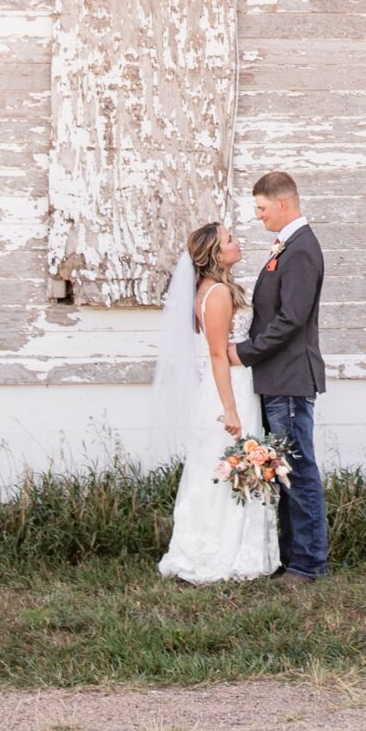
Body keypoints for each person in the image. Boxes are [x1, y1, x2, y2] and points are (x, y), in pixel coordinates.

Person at [152, 220, 279, 586]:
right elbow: (217, 354)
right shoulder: (218, 294)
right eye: (229, 239)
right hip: (229, 389)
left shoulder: (213, 289)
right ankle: (223, 552)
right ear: (216, 254)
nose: (237, 242)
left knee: (224, 467)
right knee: (230, 464)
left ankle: (227, 546)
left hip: (230, 386)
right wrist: (231, 409)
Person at [228, 169, 329, 584]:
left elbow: (291, 319)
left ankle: (308, 563)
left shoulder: (302, 249)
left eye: (262, 208)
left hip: (289, 378)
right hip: (276, 378)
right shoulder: (288, 246)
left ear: (283, 204)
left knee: (298, 470)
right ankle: (292, 559)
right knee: (282, 469)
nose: (259, 216)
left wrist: (245, 353)